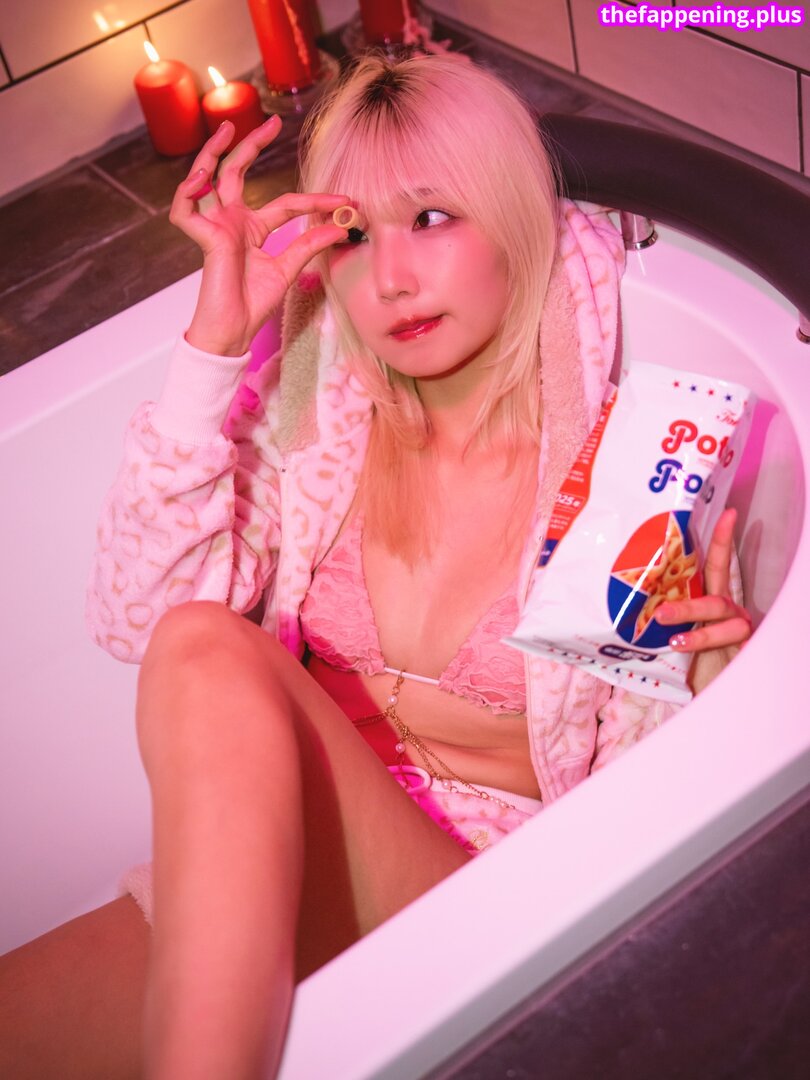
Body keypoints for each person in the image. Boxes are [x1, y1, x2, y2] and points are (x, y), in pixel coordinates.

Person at [0, 52, 752, 1080]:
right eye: (355, 233)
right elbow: (135, 614)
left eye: (432, 218)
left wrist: (710, 687)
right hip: (286, 866)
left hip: (483, 903)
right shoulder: (319, 422)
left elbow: (646, 833)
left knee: (204, 645)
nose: (391, 277)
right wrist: (215, 347)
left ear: (514, 220)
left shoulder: (629, 475)